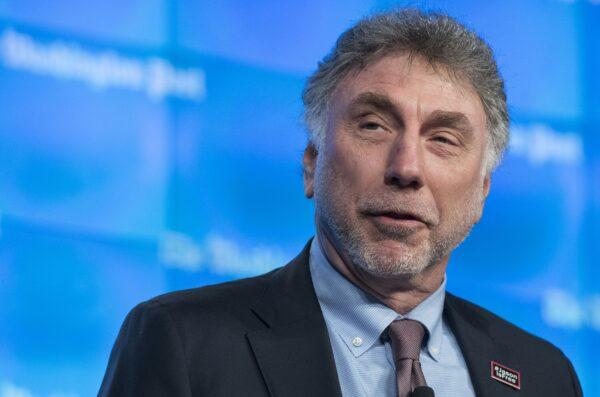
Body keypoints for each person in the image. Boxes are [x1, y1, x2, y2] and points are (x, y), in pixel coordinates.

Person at [99, 9, 583, 397]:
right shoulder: (182, 341)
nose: (406, 167)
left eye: (443, 138)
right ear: (312, 163)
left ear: (481, 193)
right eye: (374, 125)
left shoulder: (543, 376)